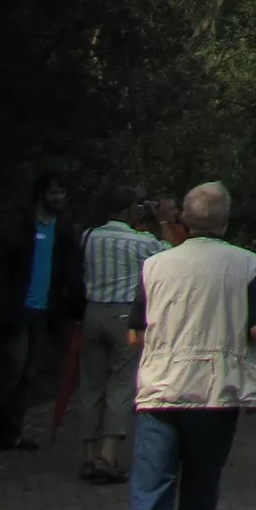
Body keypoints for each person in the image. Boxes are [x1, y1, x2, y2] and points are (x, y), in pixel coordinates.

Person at [124, 181, 256, 510]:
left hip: (161, 391)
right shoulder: (248, 266)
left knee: (150, 495)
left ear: (184, 221)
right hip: (214, 392)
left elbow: (135, 335)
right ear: (225, 221)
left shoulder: (155, 266)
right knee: (201, 487)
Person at [78, 191, 166, 482]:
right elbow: (169, 256)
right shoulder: (141, 242)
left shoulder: (88, 236)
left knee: (91, 384)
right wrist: (160, 220)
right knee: (121, 382)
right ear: (133, 211)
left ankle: (88, 455)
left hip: (92, 312)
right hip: (123, 315)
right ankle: (108, 454)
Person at [0, 173, 83, 450]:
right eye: (53, 192)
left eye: (61, 193)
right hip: (17, 310)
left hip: (44, 312)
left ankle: (11, 433)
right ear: (42, 194)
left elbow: (69, 273)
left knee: (27, 374)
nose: (57, 198)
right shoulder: (21, 226)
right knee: (10, 371)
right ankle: (0, 425)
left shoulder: (64, 231)